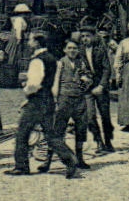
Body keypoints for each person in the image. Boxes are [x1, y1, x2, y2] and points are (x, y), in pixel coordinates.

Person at [7, 31, 79, 178]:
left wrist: (26, 89)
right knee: (51, 135)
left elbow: (34, 84)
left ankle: (21, 166)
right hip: (48, 101)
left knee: (22, 132)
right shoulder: (53, 59)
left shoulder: (36, 60)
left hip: (37, 101)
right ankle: (70, 159)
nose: (28, 43)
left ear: (37, 43)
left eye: (31, 40)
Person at [44, 36, 96, 172]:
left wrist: (87, 80)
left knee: (81, 128)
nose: (72, 51)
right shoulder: (60, 63)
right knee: (58, 130)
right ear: (64, 50)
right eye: (70, 48)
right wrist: (55, 100)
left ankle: (80, 158)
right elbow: (55, 82)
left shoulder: (81, 63)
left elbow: (89, 77)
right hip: (64, 99)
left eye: (75, 48)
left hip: (79, 99)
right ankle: (47, 161)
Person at [77, 23, 117, 153]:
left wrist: (101, 85)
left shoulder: (101, 49)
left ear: (94, 37)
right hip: (87, 87)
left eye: (87, 36)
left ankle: (108, 141)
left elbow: (107, 69)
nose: (85, 39)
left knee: (105, 115)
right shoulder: (80, 50)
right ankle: (98, 141)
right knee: (89, 116)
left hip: (100, 86)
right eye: (82, 36)